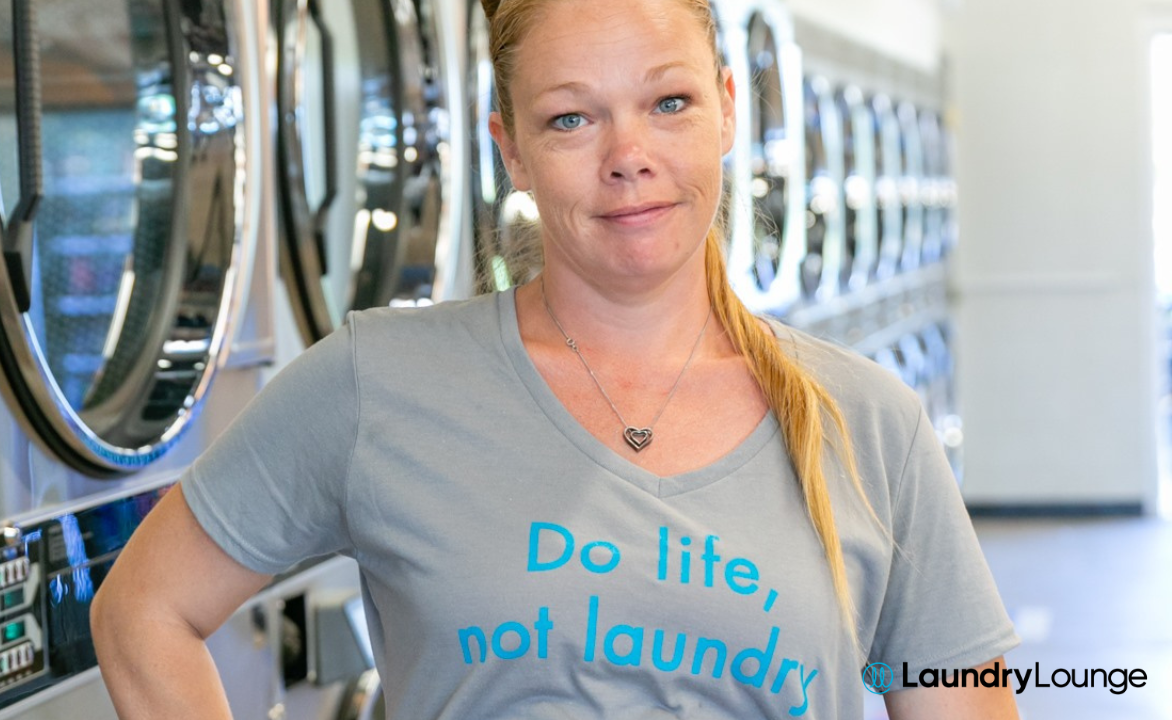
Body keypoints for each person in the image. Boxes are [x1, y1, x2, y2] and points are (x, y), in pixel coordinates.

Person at [90, 0, 1021, 717]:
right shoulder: (382, 385)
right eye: (572, 119)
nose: (629, 156)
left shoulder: (868, 424)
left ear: (727, 111)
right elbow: (143, 612)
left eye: (669, 102)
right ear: (513, 150)